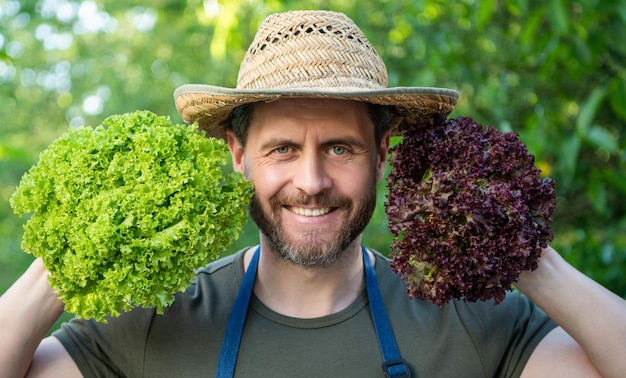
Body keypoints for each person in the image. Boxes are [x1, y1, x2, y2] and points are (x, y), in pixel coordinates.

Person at [1, 10, 625, 378]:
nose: (312, 181)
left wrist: (521, 251)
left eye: (340, 148)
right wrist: (76, 246)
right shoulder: (155, 324)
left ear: (383, 156)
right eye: (281, 149)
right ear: (239, 156)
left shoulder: (470, 322)